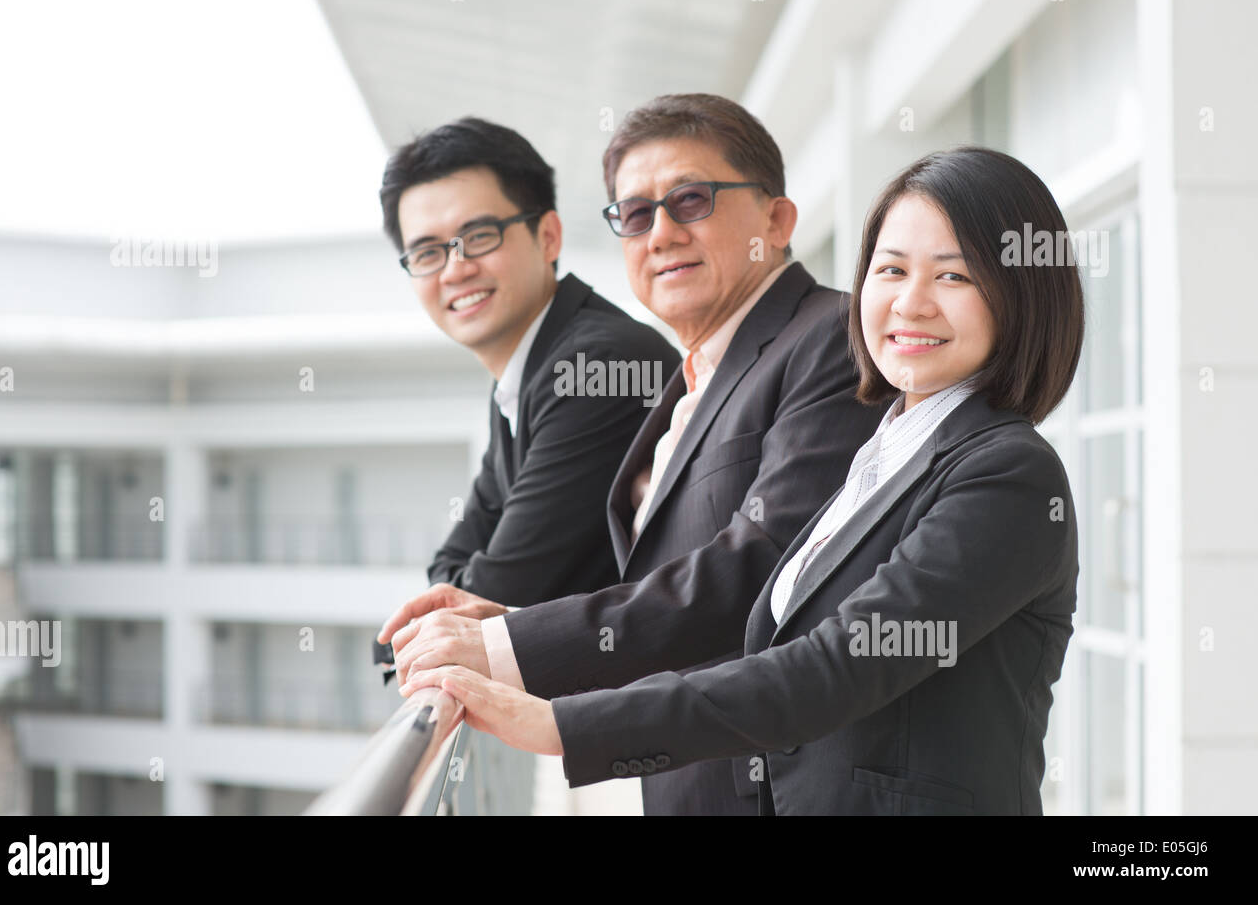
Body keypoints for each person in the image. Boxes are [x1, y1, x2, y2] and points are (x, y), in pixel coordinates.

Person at [402, 146, 1086, 815]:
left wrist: (558, 724)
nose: (912, 303)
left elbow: (831, 668)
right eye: (891, 269)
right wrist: (523, 627)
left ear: (1019, 292)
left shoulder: (1010, 475)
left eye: (954, 276)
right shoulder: (883, 454)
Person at [380, 94, 886, 814]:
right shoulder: (690, 378)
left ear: (776, 220)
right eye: (636, 215)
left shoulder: (831, 339)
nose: (662, 233)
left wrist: (501, 642)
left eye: (691, 200)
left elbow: (763, 566)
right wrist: (499, 614)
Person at [381, 117, 679, 607]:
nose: (456, 269)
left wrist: (444, 604)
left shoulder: (595, 367)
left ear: (548, 237)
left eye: (479, 236)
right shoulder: (519, 378)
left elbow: (501, 590)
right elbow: (448, 569)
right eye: (428, 252)